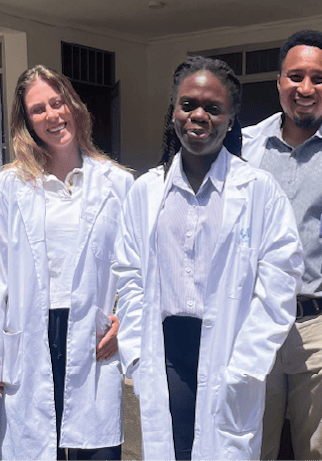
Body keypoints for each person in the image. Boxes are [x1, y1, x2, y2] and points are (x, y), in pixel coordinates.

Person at [114, 56, 304, 461]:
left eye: (213, 108)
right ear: (174, 112)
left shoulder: (258, 191)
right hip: (167, 352)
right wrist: (134, 350)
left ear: (231, 118)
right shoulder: (146, 191)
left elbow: (280, 283)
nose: (198, 115)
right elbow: (128, 273)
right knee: (176, 450)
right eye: (187, 105)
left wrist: (247, 362)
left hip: (232, 348)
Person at [0, 65, 131, 460]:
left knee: (94, 449)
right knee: (33, 447)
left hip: (93, 333)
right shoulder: (10, 185)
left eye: (57, 103)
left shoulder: (117, 183)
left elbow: (139, 271)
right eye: (38, 110)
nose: (52, 115)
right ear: (26, 122)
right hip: (31, 331)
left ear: (73, 106)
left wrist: (126, 323)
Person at [241, 29, 322, 460]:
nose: (305, 89)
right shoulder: (244, 147)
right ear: (278, 82)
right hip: (256, 319)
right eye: (295, 77)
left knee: (316, 447)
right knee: (254, 441)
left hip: (320, 321)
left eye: (318, 79)